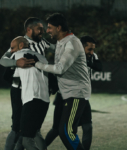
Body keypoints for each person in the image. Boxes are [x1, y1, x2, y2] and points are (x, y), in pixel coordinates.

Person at [32, 13, 91, 150]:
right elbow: (56, 54)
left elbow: (59, 69)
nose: (47, 31)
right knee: (59, 129)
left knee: (67, 131)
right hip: (65, 92)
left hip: (76, 92)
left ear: (59, 28)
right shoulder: (61, 41)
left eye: (50, 28)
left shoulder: (72, 43)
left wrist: (37, 64)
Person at [0, 17, 55, 150]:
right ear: (29, 30)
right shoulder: (19, 44)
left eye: (43, 28)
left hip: (34, 91)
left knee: (31, 130)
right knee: (18, 128)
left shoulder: (43, 42)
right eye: (39, 29)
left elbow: (57, 49)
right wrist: (16, 63)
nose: (43, 31)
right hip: (20, 91)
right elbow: (3, 60)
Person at [45, 36, 102, 150]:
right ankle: (41, 147)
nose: (92, 52)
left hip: (81, 96)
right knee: (57, 129)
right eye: (89, 49)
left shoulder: (91, 56)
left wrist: (84, 60)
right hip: (64, 96)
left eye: (93, 49)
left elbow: (99, 67)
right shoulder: (69, 55)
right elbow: (57, 71)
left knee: (87, 127)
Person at [10, 36, 50, 150]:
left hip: (31, 100)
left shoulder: (18, 56)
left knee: (26, 141)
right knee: (34, 133)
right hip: (45, 101)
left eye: (12, 48)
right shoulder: (42, 57)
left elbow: (10, 74)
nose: (11, 51)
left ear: (21, 45)